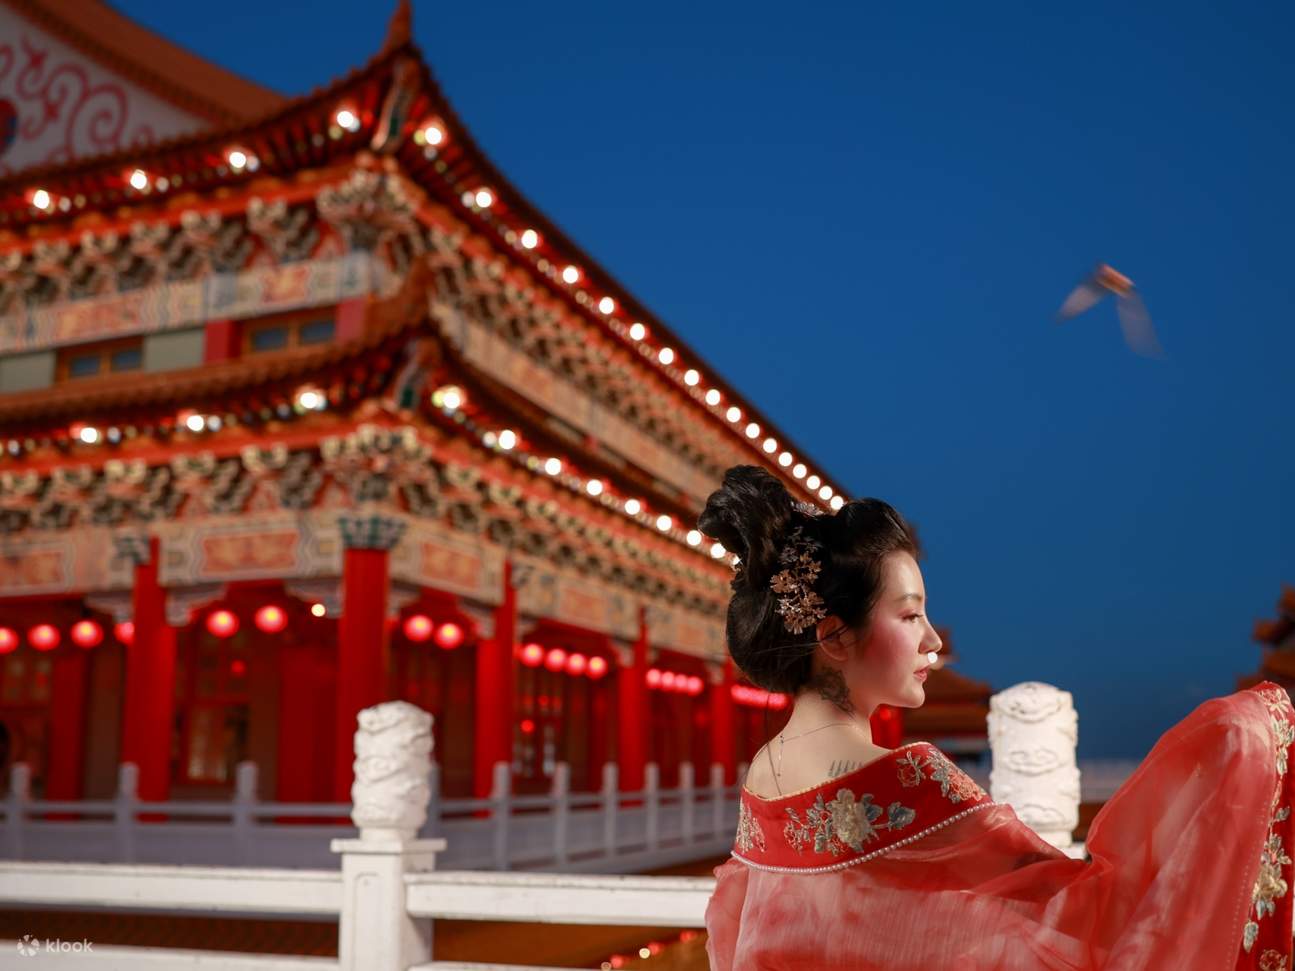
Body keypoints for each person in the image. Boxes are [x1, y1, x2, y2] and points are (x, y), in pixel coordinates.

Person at [700, 465, 1295, 970]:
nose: (933, 641)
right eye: (909, 617)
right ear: (834, 636)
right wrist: (1246, 737)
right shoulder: (906, 781)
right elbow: (1080, 911)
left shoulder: (764, 774)